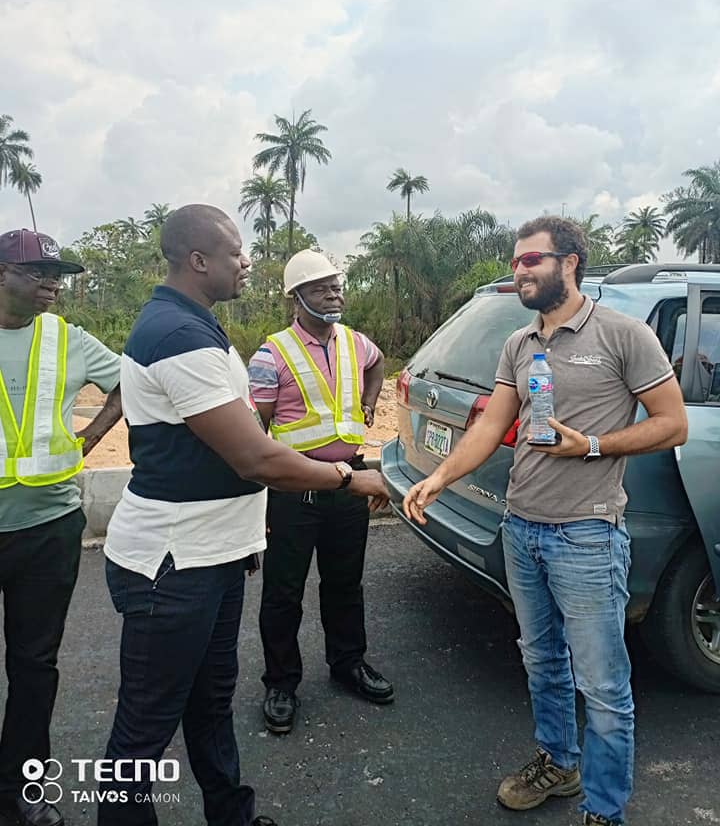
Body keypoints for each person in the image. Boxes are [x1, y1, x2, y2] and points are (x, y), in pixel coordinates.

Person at [99, 207, 388, 826]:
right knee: (142, 735)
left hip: (213, 552)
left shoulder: (196, 327)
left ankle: (231, 815)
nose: (246, 261)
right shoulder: (177, 336)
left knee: (211, 704)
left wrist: (242, 534)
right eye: (235, 252)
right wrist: (348, 475)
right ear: (198, 260)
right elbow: (254, 453)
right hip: (172, 567)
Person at [403, 216, 688, 826]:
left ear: (570, 262)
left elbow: (673, 423)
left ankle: (604, 809)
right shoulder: (519, 343)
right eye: (515, 262)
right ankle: (559, 764)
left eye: (531, 260)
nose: (520, 270)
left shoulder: (623, 335)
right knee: (541, 661)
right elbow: (486, 425)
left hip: (586, 533)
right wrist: (439, 476)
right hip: (521, 528)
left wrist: (592, 445)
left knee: (604, 685)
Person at [0, 229, 122, 826]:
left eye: (58, 272)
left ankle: (25, 787)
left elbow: (129, 384)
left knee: (34, 663)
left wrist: (91, 437)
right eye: (37, 270)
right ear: (1, 274)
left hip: (48, 527)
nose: (53, 281)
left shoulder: (66, 338)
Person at [248, 249, 393, 736]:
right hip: (295, 490)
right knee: (284, 592)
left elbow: (377, 366)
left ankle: (348, 664)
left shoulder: (355, 342)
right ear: (297, 297)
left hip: (350, 483)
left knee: (345, 584)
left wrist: (370, 403)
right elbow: (255, 432)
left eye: (337, 285)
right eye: (321, 287)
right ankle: (282, 683)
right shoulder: (270, 356)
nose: (334, 293)